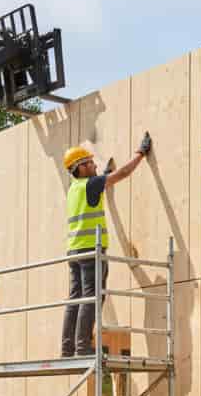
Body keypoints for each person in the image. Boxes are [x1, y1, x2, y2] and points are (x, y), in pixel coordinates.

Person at [60, 132, 151, 357]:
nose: (93, 165)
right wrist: (140, 153)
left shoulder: (75, 189)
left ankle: (67, 348)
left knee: (76, 299)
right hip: (91, 250)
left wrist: (104, 176)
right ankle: (82, 347)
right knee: (92, 297)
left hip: (75, 251)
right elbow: (123, 173)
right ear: (80, 168)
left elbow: (100, 185)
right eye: (89, 163)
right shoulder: (90, 184)